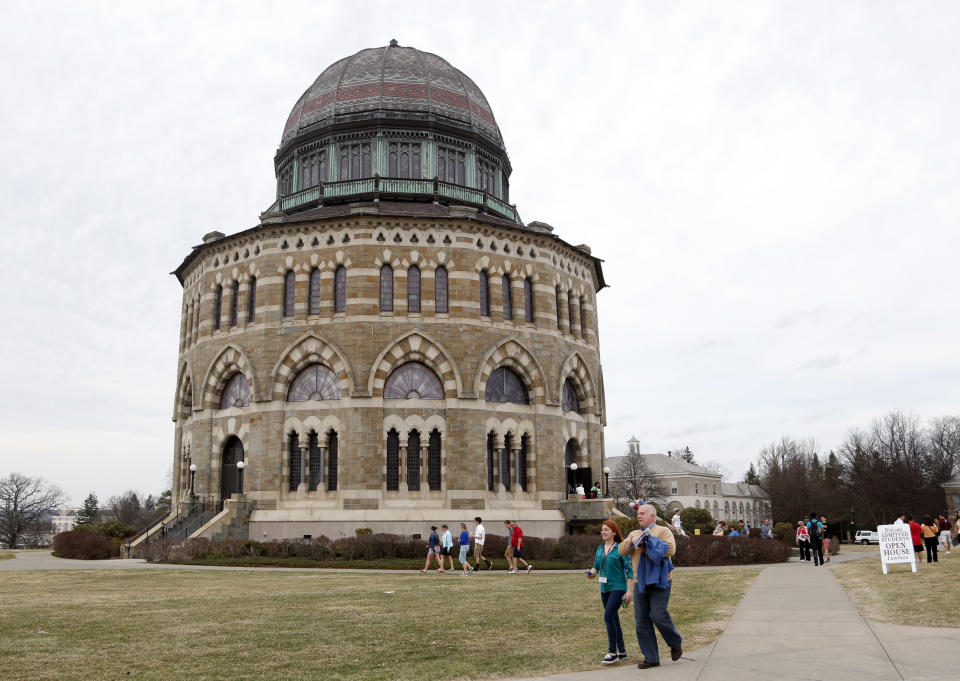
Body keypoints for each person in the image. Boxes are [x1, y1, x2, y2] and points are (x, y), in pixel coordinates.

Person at [618, 504, 683, 669]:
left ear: (652, 516)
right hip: (640, 583)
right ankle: (651, 658)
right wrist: (630, 541)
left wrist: (646, 546)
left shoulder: (663, 531)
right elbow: (622, 551)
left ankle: (675, 643)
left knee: (658, 615)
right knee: (641, 621)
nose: (638, 516)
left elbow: (670, 550)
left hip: (661, 581)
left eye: (642, 513)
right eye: (638, 513)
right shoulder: (634, 533)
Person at [587, 520, 635, 665]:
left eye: (606, 530)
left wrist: (629, 591)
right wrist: (591, 573)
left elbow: (630, 571)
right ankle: (622, 651)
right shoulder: (600, 548)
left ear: (614, 532)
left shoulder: (621, 548)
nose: (603, 532)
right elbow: (596, 567)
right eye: (602, 530)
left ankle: (612, 652)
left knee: (608, 616)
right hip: (604, 588)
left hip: (618, 587)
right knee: (613, 618)